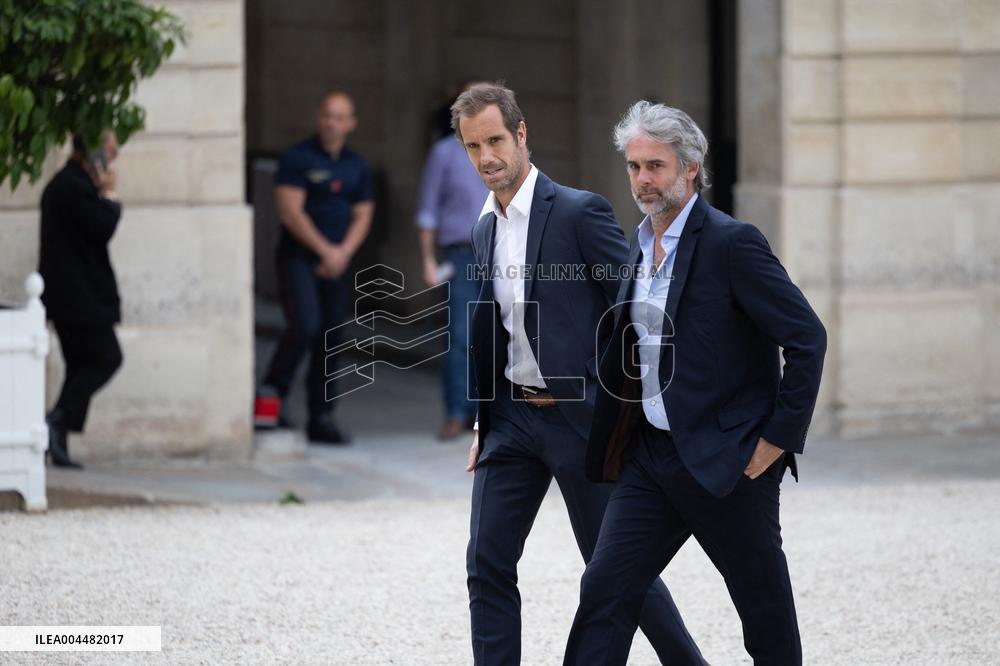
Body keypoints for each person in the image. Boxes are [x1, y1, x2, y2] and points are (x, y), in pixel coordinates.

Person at [564, 102, 827, 665]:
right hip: (651, 459)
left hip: (729, 462)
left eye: (655, 166)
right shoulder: (639, 245)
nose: (642, 180)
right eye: (634, 167)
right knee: (605, 589)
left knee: (763, 611)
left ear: (691, 167)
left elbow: (807, 338)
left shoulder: (734, 244)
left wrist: (775, 442)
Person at [456, 83, 703, 665]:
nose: (486, 157)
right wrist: (481, 419)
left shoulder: (576, 210)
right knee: (485, 562)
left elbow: (636, 305)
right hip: (510, 420)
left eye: (495, 140)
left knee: (613, 567)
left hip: (582, 423)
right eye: (472, 146)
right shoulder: (482, 229)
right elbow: (495, 328)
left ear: (520, 134)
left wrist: (633, 407)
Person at [254, 92, 375, 445]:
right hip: (300, 258)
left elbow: (363, 213)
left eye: (339, 117)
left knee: (331, 338)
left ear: (350, 124)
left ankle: (321, 417)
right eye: (326, 115)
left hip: (337, 261)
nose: (331, 123)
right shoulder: (297, 158)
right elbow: (290, 211)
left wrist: (342, 253)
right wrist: (325, 251)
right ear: (317, 118)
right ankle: (269, 400)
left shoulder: (357, 164)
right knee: (304, 326)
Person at [38, 130, 124, 469]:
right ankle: (56, 421)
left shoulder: (71, 185)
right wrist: (110, 194)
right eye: (110, 152)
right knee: (106, 357)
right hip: (78, 298)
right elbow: (102, 226)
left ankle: (57, 434)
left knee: (80, 366)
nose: (114, 159)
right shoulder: (74, 187)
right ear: (95, 154)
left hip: (72, 297)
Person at [416, 86, 489, 440]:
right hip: (460, 254)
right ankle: (457, 412)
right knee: (460, 336)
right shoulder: (444, 153)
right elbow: (428, 210)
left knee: (496, 336)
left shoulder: (500, 152)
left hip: (497, 253)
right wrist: (428, 260)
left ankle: (486, 412)